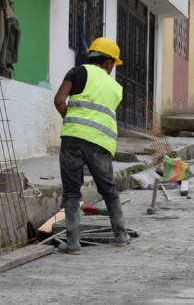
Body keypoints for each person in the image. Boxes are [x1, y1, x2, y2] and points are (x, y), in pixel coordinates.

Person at [53, 37, 130, 255]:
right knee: (110, 191)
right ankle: (121, 236)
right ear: (108, 63)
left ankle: (73, 243)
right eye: (113, 64)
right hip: (100, 143)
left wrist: (68, 117)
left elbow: (59, 100)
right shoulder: (116, 88)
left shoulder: (76, 72)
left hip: (73, 140)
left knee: (71, 192)